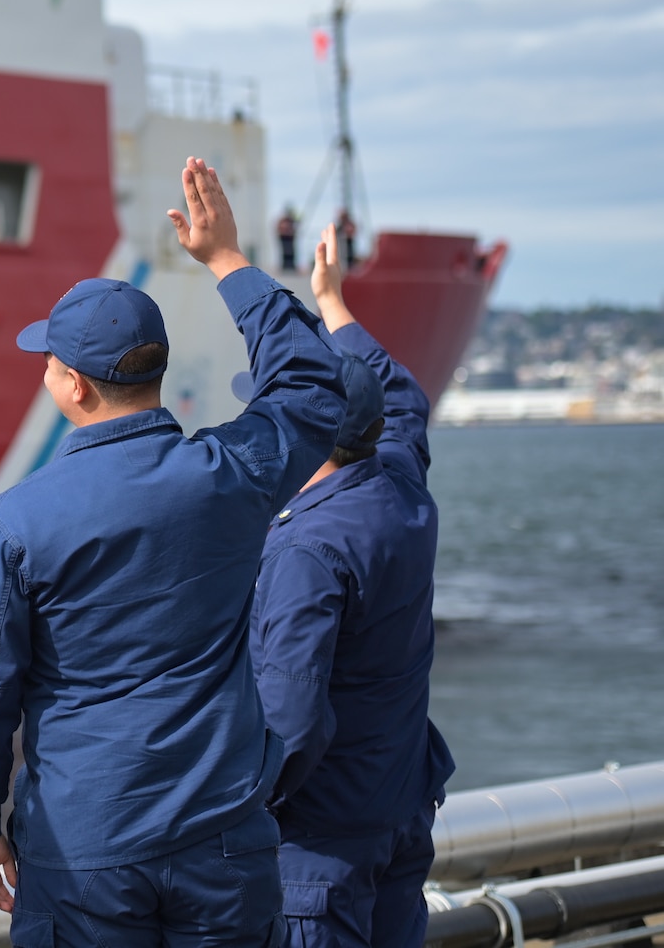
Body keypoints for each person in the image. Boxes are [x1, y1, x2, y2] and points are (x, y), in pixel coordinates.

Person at [0, 157, 349, 945]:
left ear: (73, 388)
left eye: (49, 360)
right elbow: (314, 387)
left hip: (85, 848)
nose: (45, 370)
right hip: (224, 837)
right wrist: (227, 262)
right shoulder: (230, 477)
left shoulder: (18, 522)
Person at [250, 225, 455, 948]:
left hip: (319, 847)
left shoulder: (306, 547)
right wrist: (330, 302)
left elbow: (291, 718)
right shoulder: (397, 482)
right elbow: (400, 397)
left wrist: (238, 808)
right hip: (399, 812)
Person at [276, 205, 299, 271]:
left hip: (290, 237)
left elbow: (295, 226)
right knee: (285, 252)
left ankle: (291, 266)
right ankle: (285, 266)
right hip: (284, 237)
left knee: (291, 252)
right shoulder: (283, 220)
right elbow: (279, 228)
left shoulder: (291, 220)